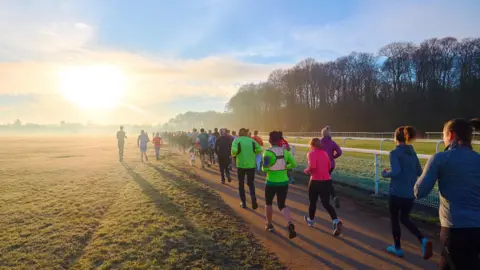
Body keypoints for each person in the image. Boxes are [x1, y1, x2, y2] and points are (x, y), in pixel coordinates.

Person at [414, 118, 480, 269]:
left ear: (450, 135)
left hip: (454, 231)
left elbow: (419, 192)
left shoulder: (440, 158)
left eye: (443, 136)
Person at [381, 126, 432, 259]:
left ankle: (397, 248)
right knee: (404, 218)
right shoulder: (412, 152)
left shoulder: (394, 153)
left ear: (396, 138)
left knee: (394, 219)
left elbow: (396, 171)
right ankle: (422, 239)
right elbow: (420, 172)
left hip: (396, 192)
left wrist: (385, 174)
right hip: (410, 193)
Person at [304, 138, 343, 236]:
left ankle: (311, 221)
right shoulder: (325, 153)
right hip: (327, 181)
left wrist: (307, 170)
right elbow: (329, 166)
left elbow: (313, 167)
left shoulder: (311, 153)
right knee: (326, 203)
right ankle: (335, 220)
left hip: (315, 181)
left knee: (312, 202)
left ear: (312, 145)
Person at [262, 131, 297, 239]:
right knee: (282, 204)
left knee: (268, 203)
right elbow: (293, 164)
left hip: (271, 182)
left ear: (270, 141)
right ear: (279, 140)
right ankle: (289, 223)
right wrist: (285, 167)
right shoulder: (285, 152)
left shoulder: (267, 152)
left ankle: (269, 224)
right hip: (284, 182)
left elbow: (265, 168)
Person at [232, 128, 263, 209]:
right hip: (251, 165)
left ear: (239, 134)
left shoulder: (236, 141)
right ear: (246, 134)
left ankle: (243, 202)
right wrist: (254, 153)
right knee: (251, 183)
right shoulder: (252, 141)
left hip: (241, 165)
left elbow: (233, 151)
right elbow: (259, 149)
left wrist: (236, 154)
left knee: (241, 184)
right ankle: (253, 200)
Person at [320, 126, 343, 208]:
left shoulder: (319, 142)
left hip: (321, 165)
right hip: (331, 165)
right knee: (326, 179)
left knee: (323, 180)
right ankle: (333, 196)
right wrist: (333, 157)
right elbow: (340, 152)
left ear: (322, 134)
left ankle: (327, 196)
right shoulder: (332, 143)